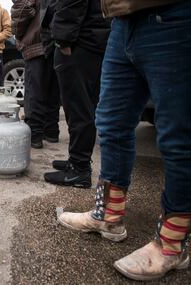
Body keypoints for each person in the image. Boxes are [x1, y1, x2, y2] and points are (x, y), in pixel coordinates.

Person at [57, 0, 191, 281]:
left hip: (184, 14)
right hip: (124, 19)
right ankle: (108, 216)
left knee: (178, 135)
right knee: (111, 123)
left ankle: (171, 246)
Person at [43, 0, 110, 188]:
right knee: (81, 105)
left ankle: (79, 169)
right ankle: (77, 161)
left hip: (81, 40)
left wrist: (63, 37)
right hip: (91, 37)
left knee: (78, 106)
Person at [11, 0, 60, 149]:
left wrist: (18, 34)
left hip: (36, 41)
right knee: (53, 89)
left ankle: (35, 134)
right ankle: (51, 131)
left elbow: (21, 13)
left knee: (35, 90)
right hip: (56, 40)